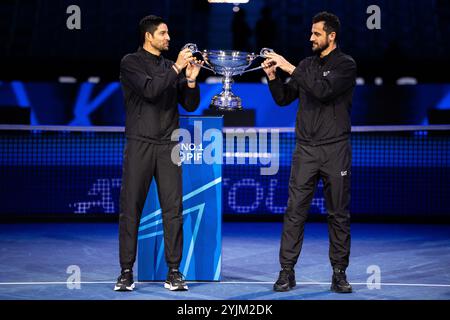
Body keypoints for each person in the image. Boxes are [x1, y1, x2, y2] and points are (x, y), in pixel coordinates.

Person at [262, 11, 356, 293]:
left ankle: (339, 273)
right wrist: (272, 77)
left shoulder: (346, 65)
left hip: (335, 149)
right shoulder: (306, 64)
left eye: (316, 33)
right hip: (305, 150)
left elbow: (323, 91)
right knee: (294, 212)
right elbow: (283, 99)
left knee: (338, 213)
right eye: (311, 33)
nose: (310, 37)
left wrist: (289, 67)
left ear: (331, 36)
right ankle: (286, 272)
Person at [114, 15, 203, 292]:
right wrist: (177, 67)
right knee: (131, 210)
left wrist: (189, 81)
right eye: (163, 34)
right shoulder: (130, 62)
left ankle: (174, 272)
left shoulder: (169, 67)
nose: (168, 38)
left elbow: (189, 105)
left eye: (168, 33)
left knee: (173, 210)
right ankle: (126, 272)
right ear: (148, 36)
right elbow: (150, 91)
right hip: (140, 143)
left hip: (169, 146)